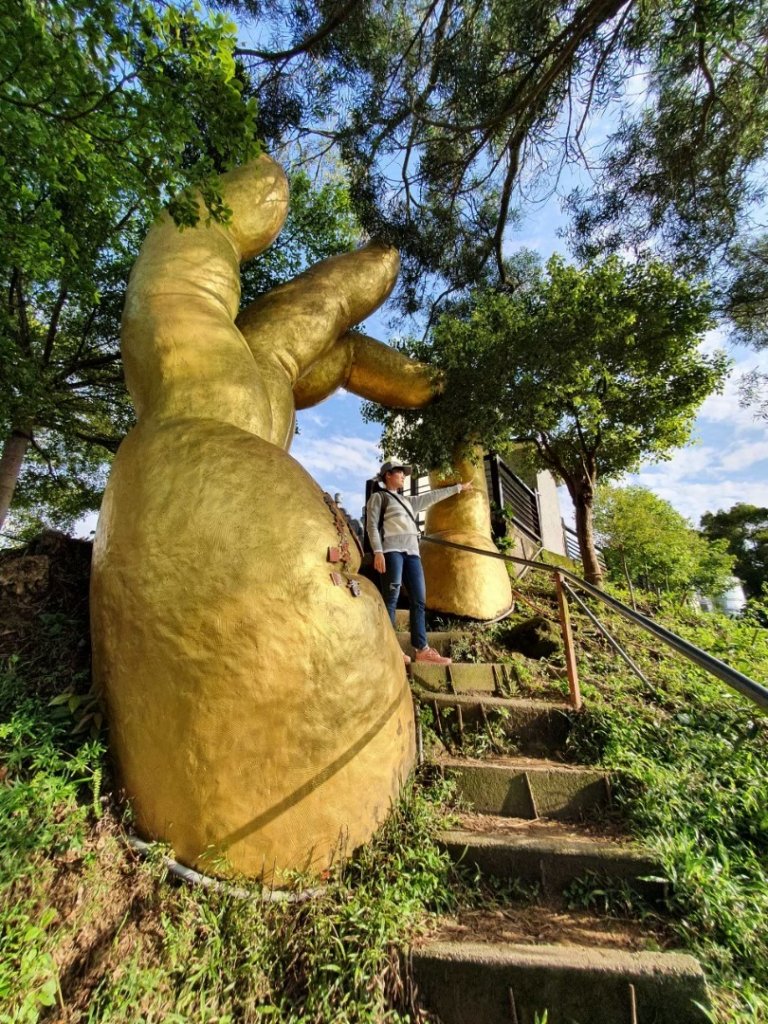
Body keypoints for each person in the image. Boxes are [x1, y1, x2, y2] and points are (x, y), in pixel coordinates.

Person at [366, 461, 473, 665]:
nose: (404, 476)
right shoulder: (379, 497)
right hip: (391, 552)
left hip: (413, 554)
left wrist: (459, 488)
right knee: (392, 598)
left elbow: (432, 496)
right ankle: (391, 648)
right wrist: (378, 551)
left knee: (419, 599)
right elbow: (371, 525)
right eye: (400, 472)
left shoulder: (409, 502)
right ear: (388, 475)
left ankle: (421, 650)